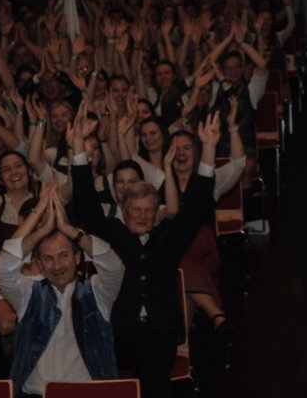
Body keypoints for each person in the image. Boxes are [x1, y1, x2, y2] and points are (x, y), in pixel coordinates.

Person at [64, 109, 218, 398]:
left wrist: (209, 147)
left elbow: (197, 207)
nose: (143, 216)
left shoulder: (168, 236)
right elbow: (85, 206)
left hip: (160, 334)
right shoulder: (113, 233)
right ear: (124, 211)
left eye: (149, 210)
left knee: (152, 353)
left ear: (156, 212)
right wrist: (78, 148)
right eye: (136, 210)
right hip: (119, 333)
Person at [0, 184, 123, 398]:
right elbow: (1, 270)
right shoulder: (29, 294)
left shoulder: (97, 292)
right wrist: (41, 230)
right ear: (39, 263)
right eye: (48, 258)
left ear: (77, 257)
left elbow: (114, 267)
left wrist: (70, 231)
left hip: (87, 395)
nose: (57, 266)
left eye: (63, 255)